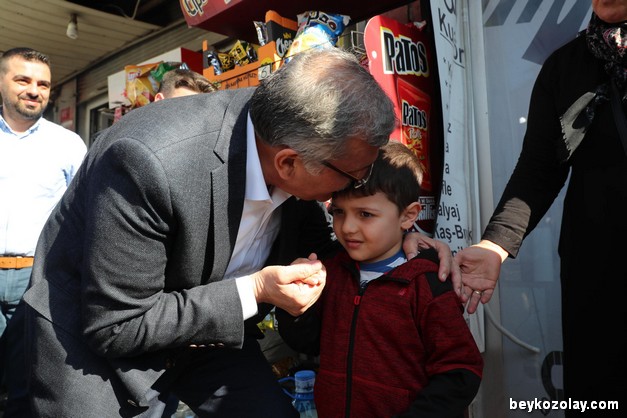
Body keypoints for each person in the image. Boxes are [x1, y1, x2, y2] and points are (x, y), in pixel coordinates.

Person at [21, 47, 455, 418]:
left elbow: (321, 249)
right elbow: (118, 324)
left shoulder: (295, 143)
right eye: (353, 176)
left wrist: (398, 244)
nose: (353, 187)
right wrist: (257, 290)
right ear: (289, 163)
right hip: (96, 347)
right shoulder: (148, 161)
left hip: (207, 335)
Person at [455, 1, 627, 414]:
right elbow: (538, 170)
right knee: (600, 398)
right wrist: (494, 246)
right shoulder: (566, 66)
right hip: (598, 274)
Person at [278, 142, 483, 418]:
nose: (348, 227)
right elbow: (306, 343)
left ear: (408, 216)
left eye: (365, 214)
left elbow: (460, 370)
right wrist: (295, 307)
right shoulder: (331, 271)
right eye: (339, 212)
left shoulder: (426, 283)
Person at [0, 47, 86, 416]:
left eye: (44, 84)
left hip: (37, 278)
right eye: (23, 80)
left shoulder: (67, 145)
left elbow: (84, 215)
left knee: (28, 385)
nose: (34, 90)